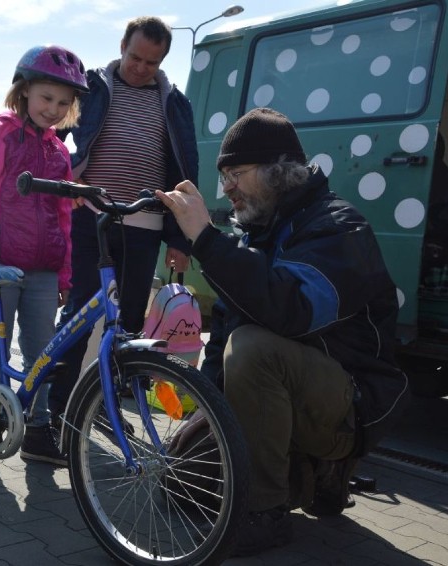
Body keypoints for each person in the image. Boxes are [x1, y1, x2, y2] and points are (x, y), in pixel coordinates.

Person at [155, 107, 410, 556]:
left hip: (348, 403)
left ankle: (264, 510)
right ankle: (309, 477)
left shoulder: (337, 227)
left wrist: (205, 239)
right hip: (289, 395)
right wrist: (205, 415)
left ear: (278, 170)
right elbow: (231, 324)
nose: (227, 187)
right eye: (224, 176)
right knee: (180, 484)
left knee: (255, 348)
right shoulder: (260, 232)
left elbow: (290, 311)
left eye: (236, 172)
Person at [51, 16, 199, 426]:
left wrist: (181, 240)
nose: (140, 67)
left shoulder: (175, 103)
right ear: (122, 46)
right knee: (80, 315)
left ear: (163, 62)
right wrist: (68, 174)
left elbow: (184, 172)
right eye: (135, 57)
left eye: (151, 63)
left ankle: (102, 409)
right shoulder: (92, 87)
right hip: (92, 219)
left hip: (145, 226)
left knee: (129, 325)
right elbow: (53, 138)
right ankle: (56, 413)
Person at [0, 45, 87, 467]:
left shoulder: (60, 153)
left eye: (64, 103)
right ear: (24, 90)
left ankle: (38, 430)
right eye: (47, 98)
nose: (54, 109)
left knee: (42, 352)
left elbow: (62, 217)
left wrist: (64, 274)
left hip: (44, 268)